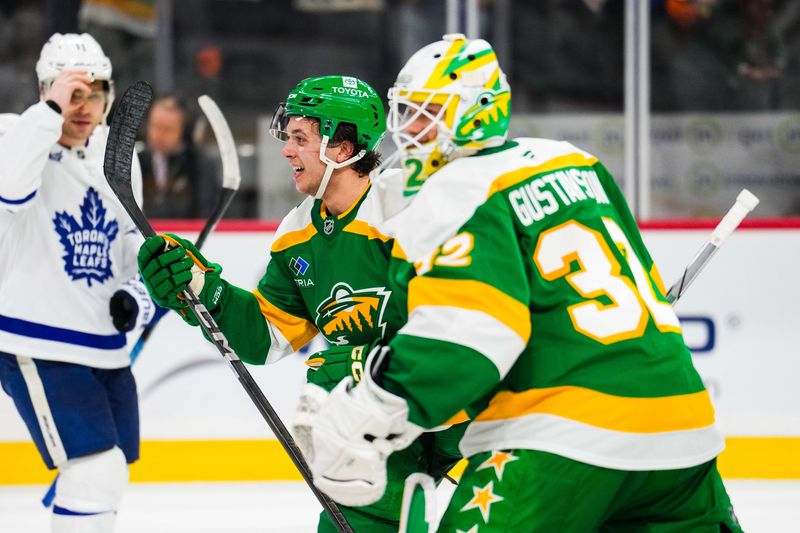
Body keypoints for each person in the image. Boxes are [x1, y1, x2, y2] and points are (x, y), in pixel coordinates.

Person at [296, 34, 744, 532]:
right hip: (684, 430)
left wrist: (370, 406)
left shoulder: (456, 190)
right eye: (407, 112)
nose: (412, 129)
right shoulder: (575, 163)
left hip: (562, 439)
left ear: (478, 112)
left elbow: (470, 335)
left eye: (430, 113)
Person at [134, 75, 465, 532]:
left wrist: (359, 365)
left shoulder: (409, 209)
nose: (286, 150)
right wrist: (198, 286)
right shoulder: (297, 231)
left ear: (343, 149)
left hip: (473, 417)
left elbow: (463, 323)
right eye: (287, 136)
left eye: (300, 138)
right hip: (383, 431)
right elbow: (266, 337)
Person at [0, 33, 154, 533]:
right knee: (94, 467)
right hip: (35, 339)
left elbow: (131, 240)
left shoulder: (118, 154)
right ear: (45, 90)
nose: (85, 107)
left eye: (96, 92)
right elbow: (9, 194)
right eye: (73, 93)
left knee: (105, 476)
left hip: (104, 348)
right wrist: (48, 113)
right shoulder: (15, 137)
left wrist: (140, 294)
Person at [138, 94, 217, 218]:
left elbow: (204, 214)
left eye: (167, 129)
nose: (158, 135)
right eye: (155, 126)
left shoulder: (200, 166)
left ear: (185, 132)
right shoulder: (135, 162)